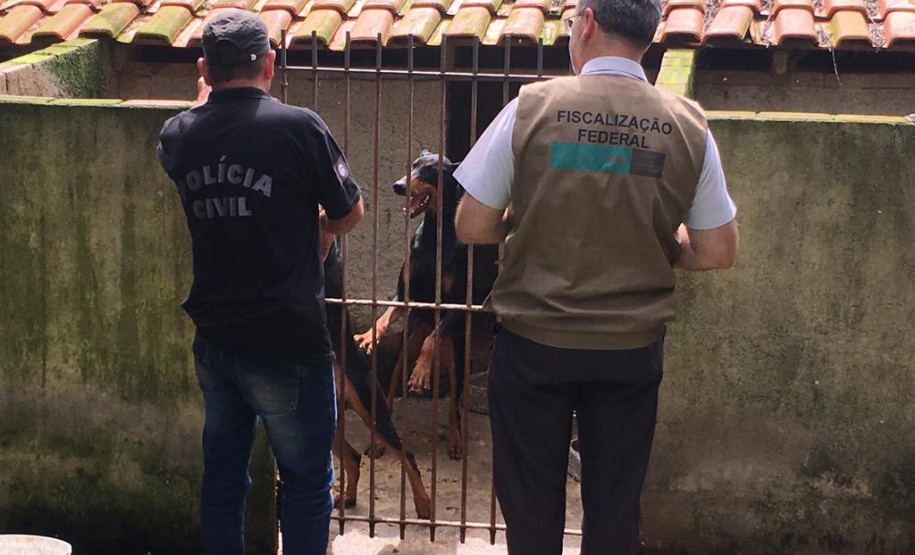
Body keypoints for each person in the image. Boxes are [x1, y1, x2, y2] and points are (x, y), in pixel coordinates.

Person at [453, 0, 739, 551]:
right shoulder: (687, 123)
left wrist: (526, 223)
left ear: (586, 22)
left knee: (530, 507)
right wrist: (654, 243)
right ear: (648, 38)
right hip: (630, 349)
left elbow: (470, 224)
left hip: (535, 342)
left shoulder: (531, 106)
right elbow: (718, 250)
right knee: (614, 508)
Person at [156, 10, 363, 555]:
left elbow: (192, 127)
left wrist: (206, 100)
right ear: (270, 63)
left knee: (223, 477)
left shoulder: (179, 136)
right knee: (306, 484)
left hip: (217, 339)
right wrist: (322, 227)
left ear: (203, 68)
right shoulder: (298, 127)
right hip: (288, 340)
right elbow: (351, 210)